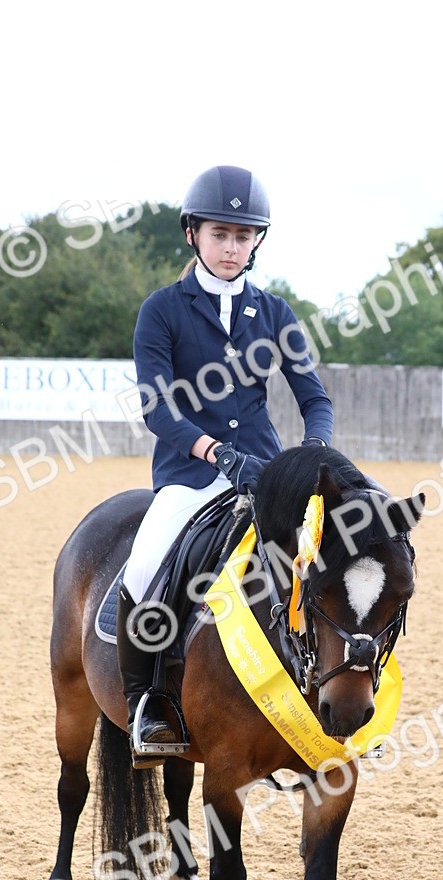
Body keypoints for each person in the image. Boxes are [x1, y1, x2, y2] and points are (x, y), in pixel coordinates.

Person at [118, 164, 334, 756]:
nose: (233, 248)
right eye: (221, 234)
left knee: (341, 556)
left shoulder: (274, 313)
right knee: (145, 566)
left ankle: (336, 694)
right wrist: (214, 451)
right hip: (191, 473)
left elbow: (314, 398)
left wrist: (312, 454)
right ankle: (149, 703)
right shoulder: (162, 310)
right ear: (193, 234)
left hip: (265, 474)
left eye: (244, 236)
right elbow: (158, 408)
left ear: (258, 240)